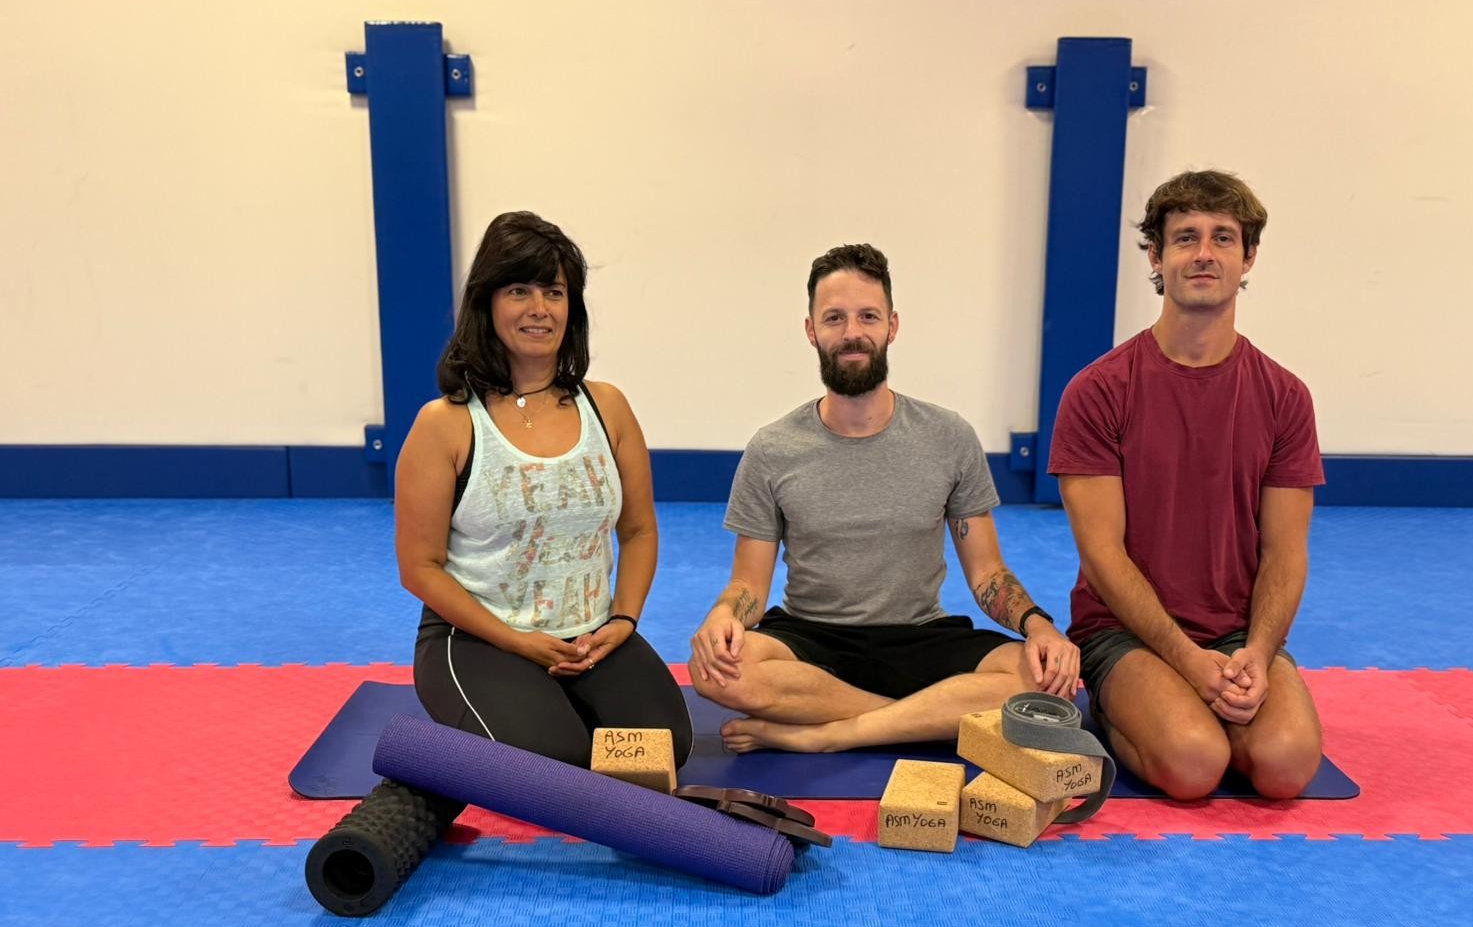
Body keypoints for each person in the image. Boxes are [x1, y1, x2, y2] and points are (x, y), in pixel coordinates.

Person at [689, 243, 1079, 753]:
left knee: (1041, 677)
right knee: (716, 671)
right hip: (810, 637)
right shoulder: (772, 449)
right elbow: (748, 585)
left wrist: (1040, 626)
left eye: (868, 316)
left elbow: (988, 574)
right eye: (834, 318)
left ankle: (832, 733)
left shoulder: (949, 437)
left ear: (892, 326)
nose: (852, 332)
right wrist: (723, 615)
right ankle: (922, 717)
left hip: (921, 636)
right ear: (811, 330)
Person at [1050, 170, 1325, 800]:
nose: (1204, 253)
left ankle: (1212, 702)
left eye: (1223, 238)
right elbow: (1103, 555)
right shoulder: (1098, 392)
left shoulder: (1285, 397)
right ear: (1156, 256)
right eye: (1185, 238)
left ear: (1248, 257)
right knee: (1194, 764)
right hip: (1124, 630)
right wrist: (1184, 659)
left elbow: (1285, 552)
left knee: (1286, 767)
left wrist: (1259, 652)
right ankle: (1119, 709)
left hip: (1236, 631)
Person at [395, 211, 692, 767]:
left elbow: (639, 530)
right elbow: (420, 567)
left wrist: (622, 620)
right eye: (519, 291)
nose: (540, 308)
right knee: (553, 766)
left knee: (664, 749)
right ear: (486, 303)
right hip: (478, 639)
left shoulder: (608, 407)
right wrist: (517, 642)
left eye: (554, 292)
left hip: (589, 638)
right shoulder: (446, 424)